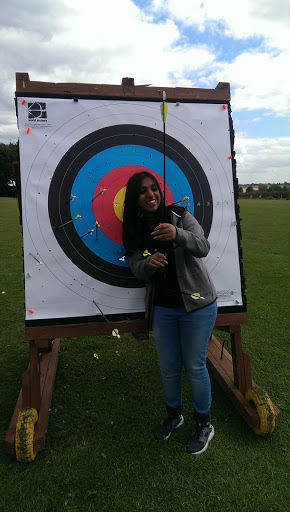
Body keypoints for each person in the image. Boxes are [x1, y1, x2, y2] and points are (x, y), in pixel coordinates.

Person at [122, 171, 217, 455]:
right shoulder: (135, 228)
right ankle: (174, 416)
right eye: (143, 191)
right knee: (168, 368)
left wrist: (178, 234)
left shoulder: (179, 215)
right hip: (163, 308)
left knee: (195, 367)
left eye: (154, 189)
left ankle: (204, 423)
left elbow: (203, 247)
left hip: (197, 305)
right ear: (134, 198)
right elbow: (135, 267)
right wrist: (148, 264)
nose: (150, 194)